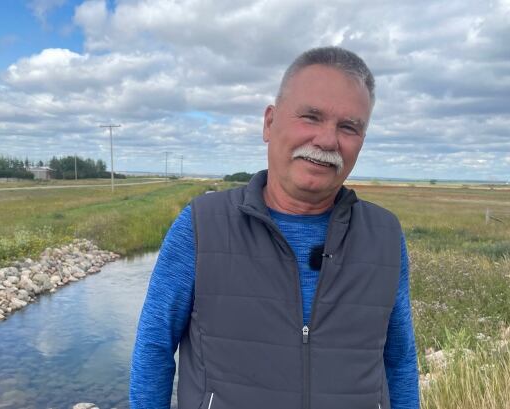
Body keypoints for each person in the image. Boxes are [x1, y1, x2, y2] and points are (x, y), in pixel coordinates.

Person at [130, 46, 419, 409]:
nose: (327, 141)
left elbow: (400, 361)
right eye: (311, 117)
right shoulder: (201, 226)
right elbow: (154, 347)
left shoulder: (385, 236)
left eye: (349, 127)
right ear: (269, 122)